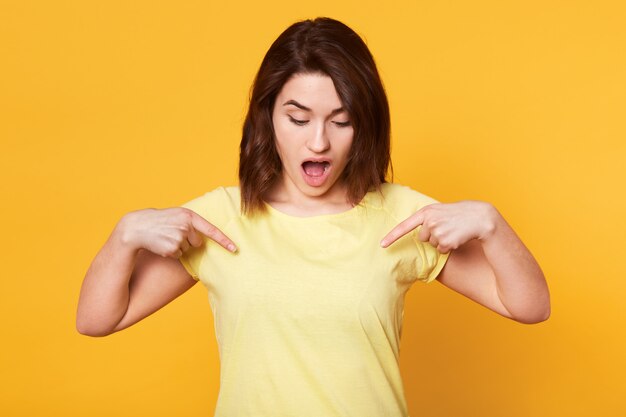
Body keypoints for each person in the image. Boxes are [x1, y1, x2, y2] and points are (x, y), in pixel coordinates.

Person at [76, 17, 550, 417]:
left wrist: (493, 224)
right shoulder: (220, 219)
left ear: (364, 124)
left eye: (340, 121)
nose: (318, 142)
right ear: (268, 118)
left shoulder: (402, 216)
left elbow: (530, 306)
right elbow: (97, 319)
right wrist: (123, 237)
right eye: (298, 119)